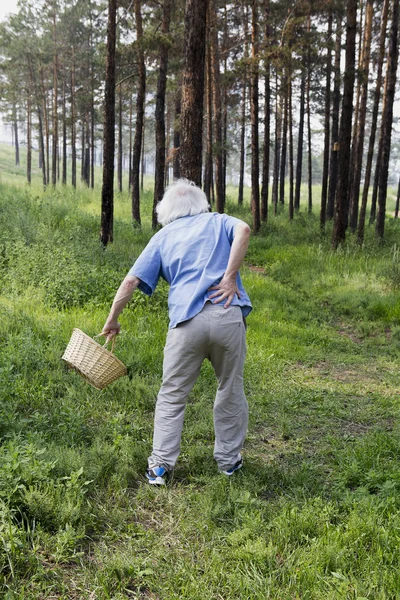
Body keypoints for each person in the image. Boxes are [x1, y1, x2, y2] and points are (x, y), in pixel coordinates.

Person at [101, 179, 252, 485]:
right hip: (226, 315)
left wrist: (112, 319)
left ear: (166, 210)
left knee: (172, 394)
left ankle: (159, 468)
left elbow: (130, 282)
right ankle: (228, 463)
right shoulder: (220, 220)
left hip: (186, 324)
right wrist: (229, 279)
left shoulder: (164, 236)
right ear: (202, 203)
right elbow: (244, 230)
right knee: (230, 388)